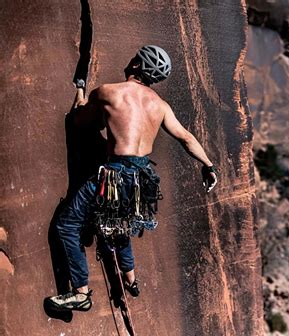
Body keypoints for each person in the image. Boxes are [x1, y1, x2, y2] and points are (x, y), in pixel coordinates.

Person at [48, 45, 218, 312]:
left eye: (135, 58)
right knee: (120, 225)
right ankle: (131, 278)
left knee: (67, 224)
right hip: (142, 177)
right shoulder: (160, 106)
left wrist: (80, 91)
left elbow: (80, 121)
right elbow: (185, 137)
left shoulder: (108, 92)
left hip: (115, 172)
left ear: (138, 65)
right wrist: (208, 165)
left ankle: (80, 292)